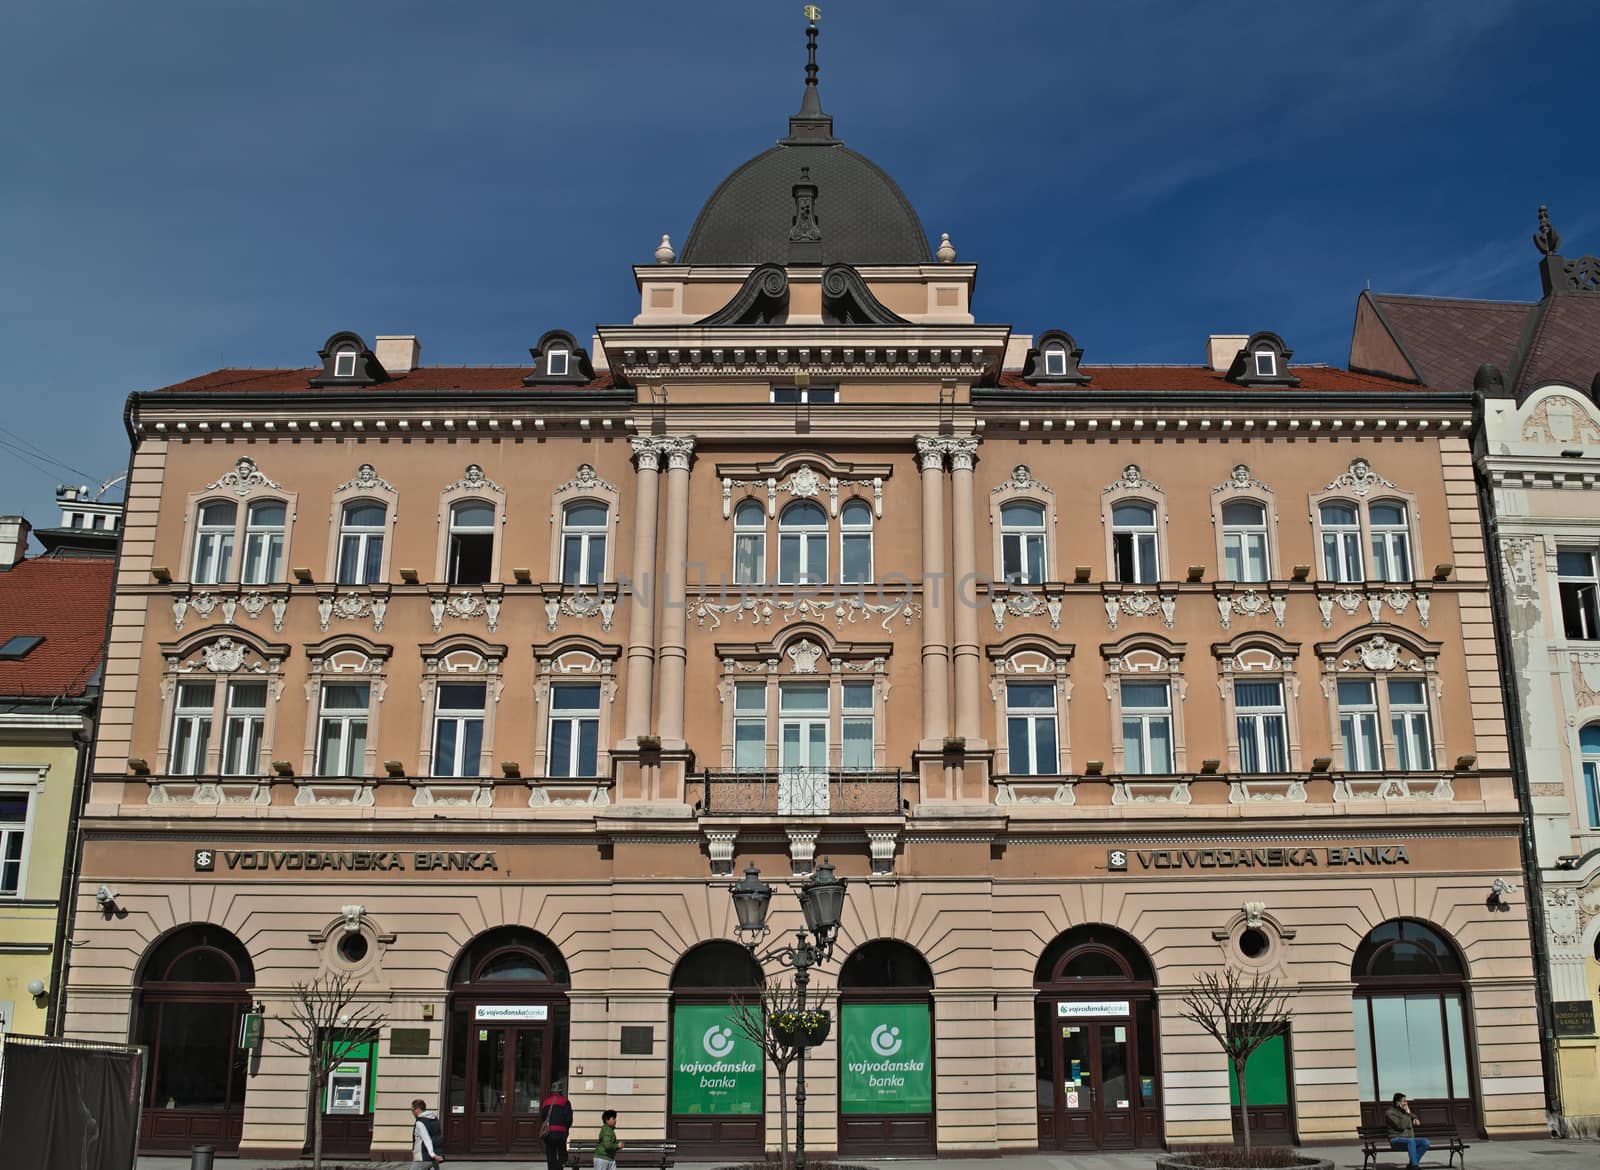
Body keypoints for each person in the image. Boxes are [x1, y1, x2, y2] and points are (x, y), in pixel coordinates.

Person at [1385, 1092, 1430, 1168]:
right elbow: (1401, 1126)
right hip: (1395, 1140)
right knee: (1411, 1141)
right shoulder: (1389, 1113)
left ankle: (1412, 1164)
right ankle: (1415, 1166)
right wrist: (1407, 1113)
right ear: (1398, 1103)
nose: (1406, 1103)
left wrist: (1415, 1118)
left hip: (1408, 1141)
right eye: (1404, 1101)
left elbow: (1412, 1116)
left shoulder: (1404, 1111)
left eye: (1406, 1101)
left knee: (1425, 1142)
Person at [541, 1079, 574, 1170]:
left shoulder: (546, 1102)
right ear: (560, 1091)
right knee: (563, 1155)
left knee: (550, 1155)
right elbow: (568, 1119)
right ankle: (558, 1168)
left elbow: (543, 1117)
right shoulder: (565, 1101)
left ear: (552, 1091)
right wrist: (566, 1128)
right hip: (561, 1133)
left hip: (549, 1133)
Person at [410, 1098, 444, 1168]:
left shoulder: (420, 1123)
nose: (412, 1112)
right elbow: (437, 1137)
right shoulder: (434, 1119)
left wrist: (432, 1154)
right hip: (434, 1156)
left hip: (423, 1157)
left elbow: (427, 1139)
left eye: (413, 1110)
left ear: (418, 1109)